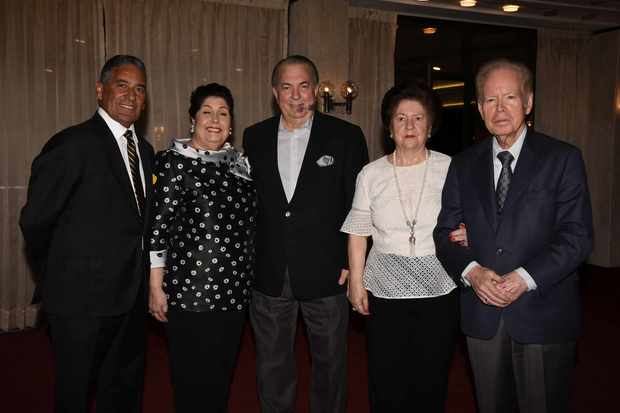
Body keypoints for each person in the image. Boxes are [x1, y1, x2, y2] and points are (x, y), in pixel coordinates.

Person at [434, 58, 593, 413]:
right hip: (482, 312)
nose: (500, 109)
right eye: (491, 100)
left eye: (510, 97)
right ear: (479, 108)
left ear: (529, 102)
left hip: (544, 311)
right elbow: (444, 233)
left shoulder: (562, 158)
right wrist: (472, 271)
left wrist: (524, 278)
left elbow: (577, 236)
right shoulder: (462, 164)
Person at [20, 55, 152, 413]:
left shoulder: (146, 152)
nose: (131, 95)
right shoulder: (71, 145)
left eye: (139, 88)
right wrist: (60, 281)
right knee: (75, 392)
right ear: (100, 90)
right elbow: (35, 222)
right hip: (80, 303)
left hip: (131, 300)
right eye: (121, 85)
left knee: (124, 389)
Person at [242, 55, 369, 412]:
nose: (296, 96)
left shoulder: (345, 136)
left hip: (328, 271)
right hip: (269, 271)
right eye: (287, 87)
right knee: (271, 362)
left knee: (330, 364)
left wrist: (352, 262)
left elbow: (358, 205)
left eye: (303, 87)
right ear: (274, 92)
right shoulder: (254, 137)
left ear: (315, 91)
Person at [341, 83, 465, 412]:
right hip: (385, 288)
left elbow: (471, 218)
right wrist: (356, 281)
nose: (409, 126)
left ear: (430, 125)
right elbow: (358, 232)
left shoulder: (451, 168)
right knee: (386, 375)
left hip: (439, 286)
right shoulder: (371, 174)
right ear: (390, 127)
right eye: (400, 119)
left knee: (432, 374)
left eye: (418, 118)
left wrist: (469, 232)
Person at [148, 83, 256, 413]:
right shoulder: (172, 162)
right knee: (191, 380)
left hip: (235, 293)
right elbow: (157, 228)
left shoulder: (240, 165)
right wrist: (155, 287)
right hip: (189, 293)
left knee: (221, 377)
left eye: (223, 113)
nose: (215, 120)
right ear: (193, 119)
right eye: (206, 112)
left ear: (232, 124)